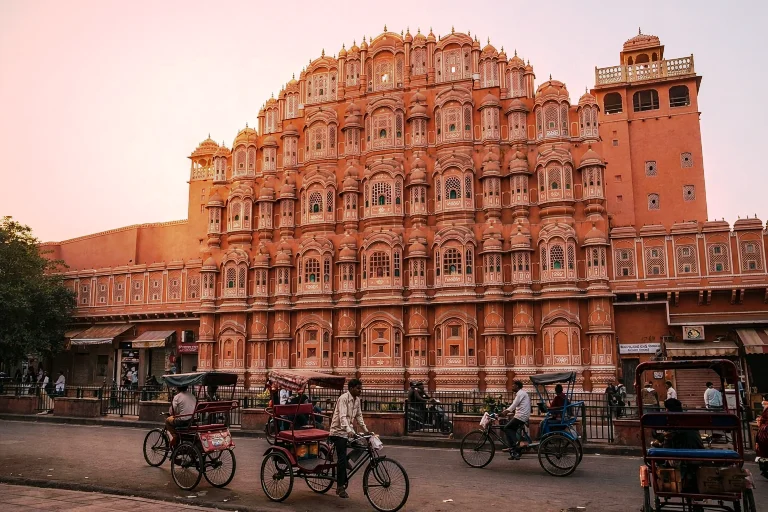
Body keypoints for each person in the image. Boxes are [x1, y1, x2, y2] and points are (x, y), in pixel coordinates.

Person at [329, 378, 369, 499]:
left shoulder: (357, 400)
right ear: (351, 388)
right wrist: (348, 431)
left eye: (360, 388)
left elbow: (359, 417)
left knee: (363, 445)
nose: (360, 390)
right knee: (341, 459)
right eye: (358, 388)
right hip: (338, 432)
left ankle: (348, 460)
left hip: (348, 432)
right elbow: (342, 417)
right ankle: (340, 487)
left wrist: (366, 431)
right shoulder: (343, 398)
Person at [500, 380, 531, 460]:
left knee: (506, 428)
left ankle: (517, 444)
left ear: (517, 386)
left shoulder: (520, 393)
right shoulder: (521, 393)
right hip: (521, 415)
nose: (512, 386)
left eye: (513, 385)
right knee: (510, 430)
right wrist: (509, 412)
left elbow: (514, 405)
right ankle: (514, 451)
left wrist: (505, 412)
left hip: (521, 416)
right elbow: (518, 406)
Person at [755, 394, 768, 478]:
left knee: (764, 452)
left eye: (763, 400)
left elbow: (762, 420)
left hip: (765, 434)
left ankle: (765, 469)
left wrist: (759, 420)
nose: (762, 402)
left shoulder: (766, 410)